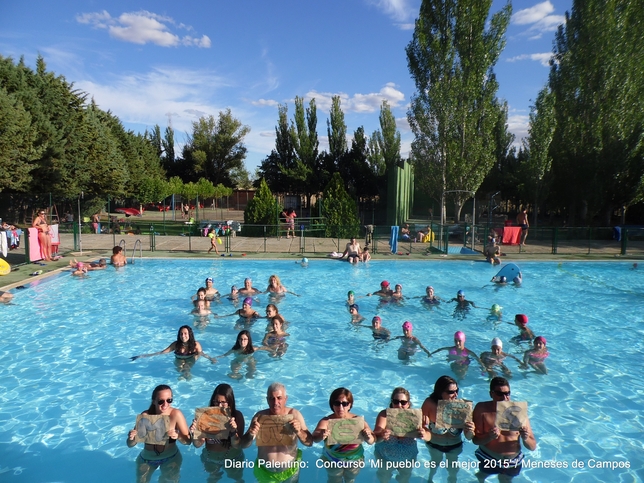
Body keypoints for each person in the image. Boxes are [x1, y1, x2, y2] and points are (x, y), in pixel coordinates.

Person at [240, 382, 313, 482]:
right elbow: (243, 445)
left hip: (290, 472)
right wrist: (251, 433)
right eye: (271, 398)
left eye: (279, 398)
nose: (275, 402)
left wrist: (299, 432)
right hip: (264, 472)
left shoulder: (294, 414)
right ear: (267, 400)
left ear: (285, 399)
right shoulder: (260, 417)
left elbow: (309, 443)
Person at [472, 377, 537, 482]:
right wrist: (489, 436)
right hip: (488, 457)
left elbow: (532, 446)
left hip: (513, 461)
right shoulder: (482, 409)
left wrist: (525, 438)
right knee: (482, 477)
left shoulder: (518, 411)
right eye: (499, 393)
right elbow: (476, 440)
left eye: (507, 393)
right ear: (491, 394)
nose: (504, 397)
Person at [126, 384, 191, 483]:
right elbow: (130, 445)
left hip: (171, 457)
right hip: (147, 459)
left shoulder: (176, 414)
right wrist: (131, 438)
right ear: (154, 401)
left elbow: (188, 441)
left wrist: (178, 436)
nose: (165, 404)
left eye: (169, 400)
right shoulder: (145, 415)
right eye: (161, 401)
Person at [312, 387, 375, 483]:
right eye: (337, 403)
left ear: (350, 405)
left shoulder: (357, 420)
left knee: (350, 479)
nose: (341, 407)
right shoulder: (326, 421)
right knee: (334, 479)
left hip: (355, 461)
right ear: (332, 404)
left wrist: (368, 437)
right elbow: (314, 439)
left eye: (344, 404)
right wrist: (321, 435)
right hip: (332, 460)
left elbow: (372, 441)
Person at [421, 376, 475, 483]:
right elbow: (420, 427)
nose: (455, 395)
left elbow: (469, 437)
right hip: (434, 445)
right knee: (434, 465)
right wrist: (423, 429)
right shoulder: (430, 404)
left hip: (454, 446)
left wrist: (471, 430)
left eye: (456, 391)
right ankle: (429, 480)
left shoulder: (463, 407)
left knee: (452, 469)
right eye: (451, 392)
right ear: (440, 392)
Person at [373, 387, 431, 483]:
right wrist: (381, 435)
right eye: (396, 402)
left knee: (404, 479)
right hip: (384, 458)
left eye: (403, 402)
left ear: (408, 404)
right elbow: (376, 435)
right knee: (384, 479)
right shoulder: (384, 415)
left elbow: (429, 437)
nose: (399, 405)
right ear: (392, 402)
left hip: (408, 459)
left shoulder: (414, 418)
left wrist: (424, 434)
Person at [191, 384, 245, 483]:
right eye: (216, 402)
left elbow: (237, 445)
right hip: (210, 459)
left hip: (232, 459)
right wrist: (194, 435)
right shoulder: (205, 416)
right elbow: (198, 444)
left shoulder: (237, 416)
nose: (218, 406)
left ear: (230, 402)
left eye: (223, 402)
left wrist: (233, 432)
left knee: (237, 479)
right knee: (212, 480)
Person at [130, 325, 216, 363]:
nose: (183, 336)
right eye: (181, 334)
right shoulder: (176, 345)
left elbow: (202, 353)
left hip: (191, 359)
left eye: (185, 333)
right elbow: (162, 352)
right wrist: (142, 356)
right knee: (180, 372)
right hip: (178, 359)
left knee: (186, 370)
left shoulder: (196, 344)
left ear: (190, 334)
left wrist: (211, 359)